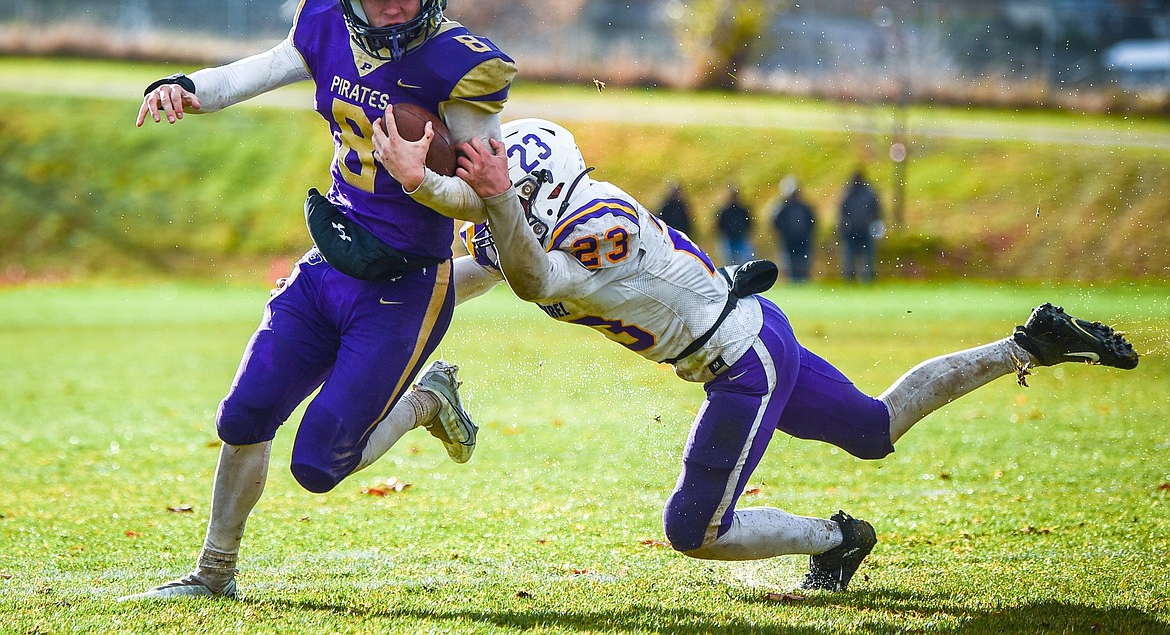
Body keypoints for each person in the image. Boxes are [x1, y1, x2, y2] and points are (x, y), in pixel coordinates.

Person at [418, 118, 1138, 591]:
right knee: (875, 430)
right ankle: (1029, 343)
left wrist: (494, 205)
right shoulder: (547, 216)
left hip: (741, 365)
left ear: (532, 190)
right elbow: (472, 273)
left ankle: (835, 539)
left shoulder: (593, 225)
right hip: (757, 329)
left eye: (497, 193)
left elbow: (534, 276)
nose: (483, 204)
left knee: (691, 530)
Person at [120, 0, 516, 601]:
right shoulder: (323, 21)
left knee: (319, 464)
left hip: (405, 285)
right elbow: (258, 71)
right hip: (328, 264)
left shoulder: (463, 67)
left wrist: (421, 179)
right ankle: (214, 575)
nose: (395, 10)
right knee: (242, 417)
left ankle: (429, 398)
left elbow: (483, 201)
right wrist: (187, 87)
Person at [770, 175, 817, 283]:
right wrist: (784, 233)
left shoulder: (804, 206)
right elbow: (775, 222)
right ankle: (792, 282)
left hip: (803, 239)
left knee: (803, 262)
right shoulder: (782, 207)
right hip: (788, 240)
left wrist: (807, 233)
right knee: (789, 263)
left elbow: (812, 221)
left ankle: (803, 281)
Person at [838, 170, 882, 282]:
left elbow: (876, 211)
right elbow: (842, 212)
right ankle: (850, 279)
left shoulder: (865, 193)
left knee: (867, 258)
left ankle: (868, 278)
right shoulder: (851, 193)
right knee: (850, 259)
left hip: (865, 231)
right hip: (851, 232)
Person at [715, 185, 754, 265]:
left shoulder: (741, 209)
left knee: (745, 260)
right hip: (729, 237)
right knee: (730, 261)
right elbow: (719, 225)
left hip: (741, 236)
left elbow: (749, 222)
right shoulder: (725, 210)